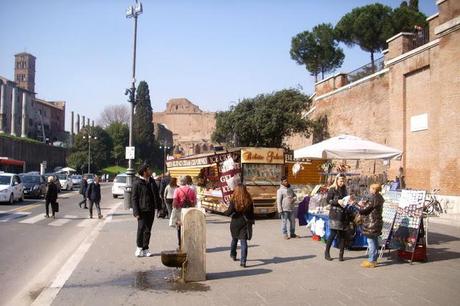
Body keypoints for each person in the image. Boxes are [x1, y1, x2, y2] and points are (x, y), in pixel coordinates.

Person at [132, 164, 161, 257]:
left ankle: (146, 248)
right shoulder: (137, 183)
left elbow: (156, 195)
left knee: (148, 229)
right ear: (144, 172)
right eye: (149, 170)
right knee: (141, 229)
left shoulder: (152, 181)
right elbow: (134, 198)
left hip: (150, 209)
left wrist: (159, 207)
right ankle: (139, 247)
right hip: (141, 210)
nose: (151, 171)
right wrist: (136, 212)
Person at [224, 185, 255, 268]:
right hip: (245, 223)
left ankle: (233, 254)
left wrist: (224, 211)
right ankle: (243, 261)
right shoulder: (249, 200)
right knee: (243, 242)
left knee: (234, 239)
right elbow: (252, 213)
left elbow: (229, 212)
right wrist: (252, 221)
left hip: (235, 223)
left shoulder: (234, 200)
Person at [358, 184, 384, 268]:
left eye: (370, 188)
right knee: (374, 241)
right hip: (376, 223)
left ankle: (371, 260)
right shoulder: (379, 197)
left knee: (371, 242)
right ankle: (374, 259)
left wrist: (357, 204)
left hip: (371, 223)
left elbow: (363, 210)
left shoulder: (373, 198)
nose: (369, 190)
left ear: (373, 189)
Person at [325, 173, 348, 261]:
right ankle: (327, 253)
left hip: (343, 214)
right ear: (337, 180)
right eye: (341, 181)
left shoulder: (344, 189)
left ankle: (341, 255)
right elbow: (328, 200)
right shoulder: (332, 189)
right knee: (333, 234)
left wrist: (349, 200)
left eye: (343, 181)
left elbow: (346, 199)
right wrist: (337, 201)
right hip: (334, 215)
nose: (342, 182)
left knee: (343, 235)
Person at [171, 176, 196, 248]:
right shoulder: (191, 190)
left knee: (179, 228)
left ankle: (180, 244)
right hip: (189, 210)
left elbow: (175, 202)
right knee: (189, 227)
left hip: (180, 211)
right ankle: (189, 244)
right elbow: (194, 201)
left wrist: (175, 207)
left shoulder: (177, 190)